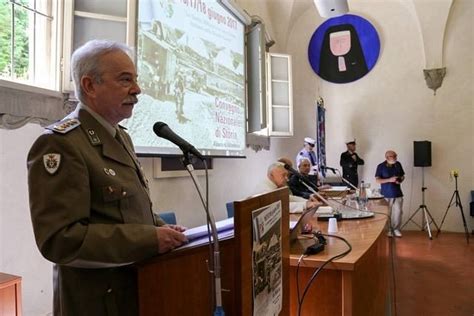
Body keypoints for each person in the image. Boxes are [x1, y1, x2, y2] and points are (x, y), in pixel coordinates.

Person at [27, 40, 188, 316]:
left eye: (135, 79)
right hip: (98, 301)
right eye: (125, 80)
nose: (137, 90)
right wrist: (149, 239)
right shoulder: (60, 144)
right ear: (90, 86)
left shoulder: (120, 136)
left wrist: (162, 228)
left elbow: (126, 210)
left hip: (138, 290)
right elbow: (60, 240)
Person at [255, 162, 321, 213]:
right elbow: (280, 207)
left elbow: (287, 198)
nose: (287, 179)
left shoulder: (275, 185)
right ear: (271, 175)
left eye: (287, 175)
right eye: (283, 175)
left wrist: (307, 202)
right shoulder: (265, 189)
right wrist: (305, 205)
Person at [375, 150, 405, 237]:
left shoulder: (398, 164)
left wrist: (400, 180)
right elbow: (377, 180)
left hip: (397, 193)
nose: (396, 157)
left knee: (398, 212)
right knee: (387, 213)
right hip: (386, 194)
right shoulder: (381, 166)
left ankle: (396, 229)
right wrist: (389, 180)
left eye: (396, 155)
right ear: (387, 157)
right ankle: (389, 230)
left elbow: (402, 176)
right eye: (394, 156)